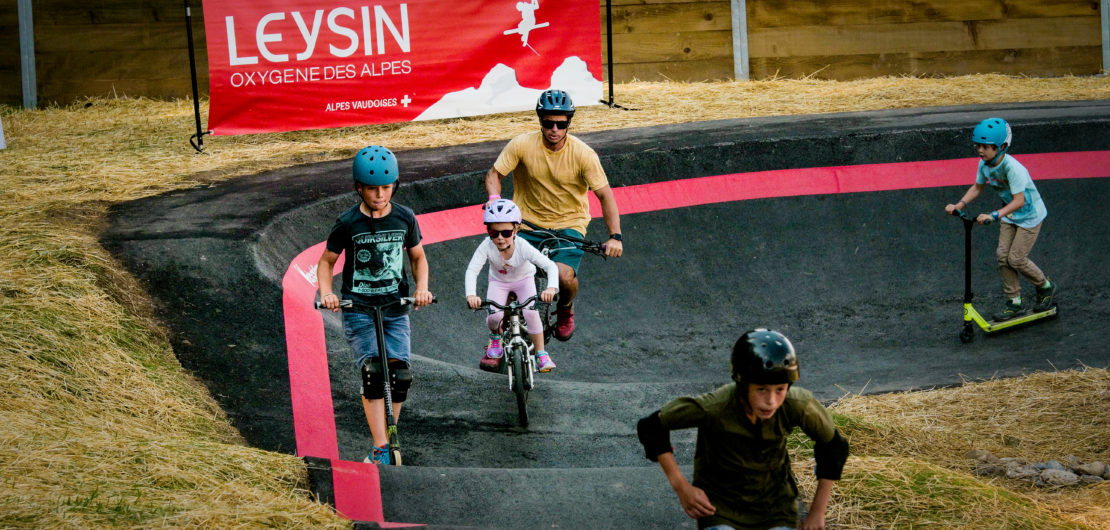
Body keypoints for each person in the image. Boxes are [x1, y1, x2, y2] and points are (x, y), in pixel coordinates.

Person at [636, 329, 849, 530]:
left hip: (776, 507)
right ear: (742, 383)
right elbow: (652, 426)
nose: (771, 402)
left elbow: (833, 447)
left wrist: (817, 511)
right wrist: (681, 487)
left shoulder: (797, 405)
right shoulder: (716, 406)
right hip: (721, 508)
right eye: (761, 390)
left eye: (780, 390)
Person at [317, 145, 434, 465]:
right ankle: (381, 446)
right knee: (373, 373)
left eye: (386, 188)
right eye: (372, 189)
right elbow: (326, 262)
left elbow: (418, 257)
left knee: (400, 375)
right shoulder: (348, 222)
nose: (380, 195)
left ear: (394, 186)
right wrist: (327, 293)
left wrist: (422, 287)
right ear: (359, 188)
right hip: (359, 310)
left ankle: (388, 433)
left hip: (395, 309)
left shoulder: (404, 217)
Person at [485, 89, 624, 342]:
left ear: (568, 123)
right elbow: (494, 175)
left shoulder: (583, 154)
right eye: (548, 123)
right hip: (526, 224)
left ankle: (565, 309)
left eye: (561, 124)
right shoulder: (521, 145)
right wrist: (496, 203)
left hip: (569, 225)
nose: (554, 129)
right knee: (508, 276)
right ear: (540, 120)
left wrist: (615, 236)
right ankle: (497, 339)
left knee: (563, 276)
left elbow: (605, 195)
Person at [944, 117, 1056, 321]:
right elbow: (977, 187)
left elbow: (1019, 201)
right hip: (1010, 215)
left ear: (1001, 147)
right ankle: (1014, 302)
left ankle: (1045, 286)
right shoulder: (984, 164)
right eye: (978, 145)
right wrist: (959, 205)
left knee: (1016, 259)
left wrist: (994, 215)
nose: (980, 150)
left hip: (1030, 216)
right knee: (1003, 256)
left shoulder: (1014, 169)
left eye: (986, 147)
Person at [465, 199, 560, 372]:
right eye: (494, 234)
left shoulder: (523, 246)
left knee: (531, 314)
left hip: (524, 281)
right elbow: (472, 270)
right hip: (499, 283)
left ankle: (540, 354)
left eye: (506, 233)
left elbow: (549, 265)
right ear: (488, 231)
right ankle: (495, 337)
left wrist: (551, 287)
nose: (500, 238)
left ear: (516, 229)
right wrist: (471, 295)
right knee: (494, 317)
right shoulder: (486, 246)